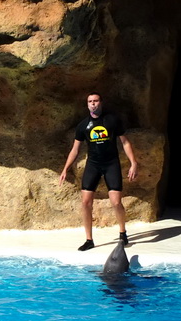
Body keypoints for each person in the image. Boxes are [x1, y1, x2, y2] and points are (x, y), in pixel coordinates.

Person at [59, 93, 139, 251]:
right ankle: (89, 239)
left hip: (111, 164)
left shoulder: (112, 120)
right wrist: (65, 168)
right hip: (93, 165)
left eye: (95, 101)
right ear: (87, 104)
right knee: (85, 202)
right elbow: (75, 150)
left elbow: (125, 142)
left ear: (101, 102)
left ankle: (122, 233)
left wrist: (133, 163)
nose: (93, 104)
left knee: (116, 202)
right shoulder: (83, 125)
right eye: (90, 101)